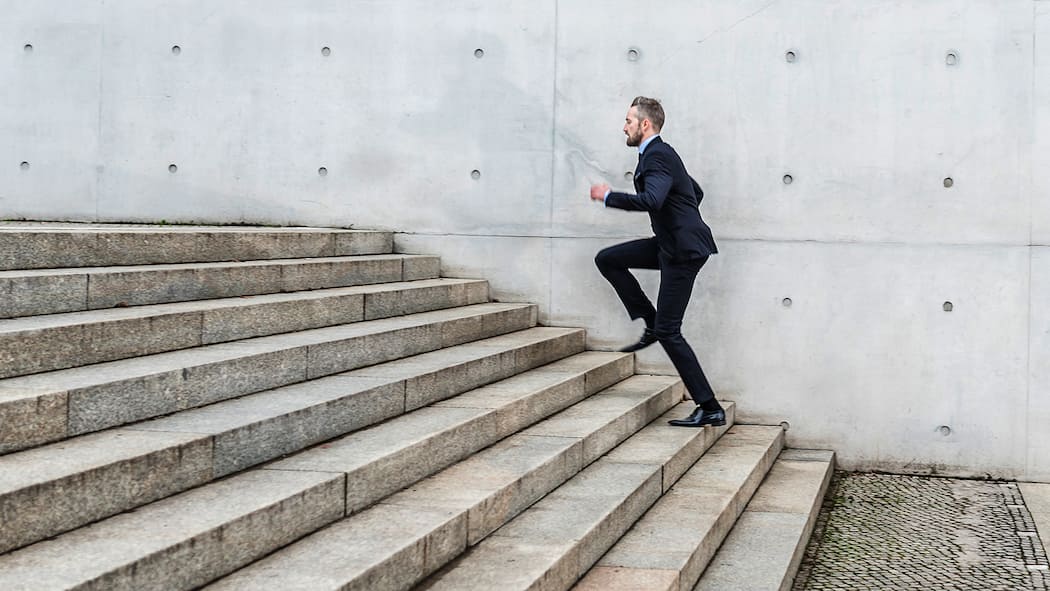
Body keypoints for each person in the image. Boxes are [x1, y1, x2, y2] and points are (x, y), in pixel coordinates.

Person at [590, 96, 725, 428]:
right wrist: (681, 215)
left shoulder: (657, 156)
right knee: (608, 259)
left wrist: (608, 196)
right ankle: (649, 319)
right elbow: (694, 191)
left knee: (670, 331)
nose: (624, 126)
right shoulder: (659, 154)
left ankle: (709, 407)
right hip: (670, 244)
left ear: (644, 124)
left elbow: (652, 199)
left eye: (628, 121)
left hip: (682, 252)